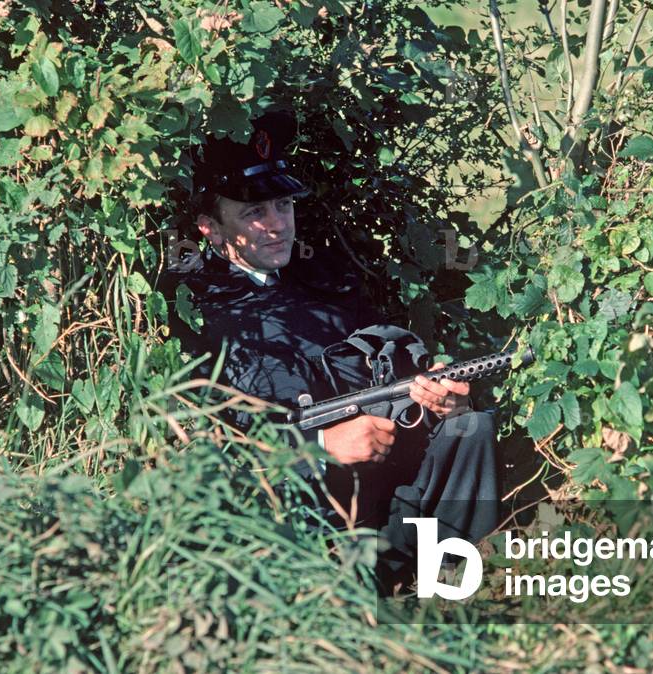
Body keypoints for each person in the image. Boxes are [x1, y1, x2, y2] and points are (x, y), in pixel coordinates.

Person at [162, 110, 500, 589]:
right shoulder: (194, 316)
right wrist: (320, 448)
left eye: (282, 205)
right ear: (210, 229)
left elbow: (392, 375)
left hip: (382, 499)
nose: (277, 225)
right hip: (298, 520)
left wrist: (438, 401)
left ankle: (447, 585)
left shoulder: (328, 286)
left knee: (470, 428)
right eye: (254, 213)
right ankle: (336, 596)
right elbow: (207, 445)